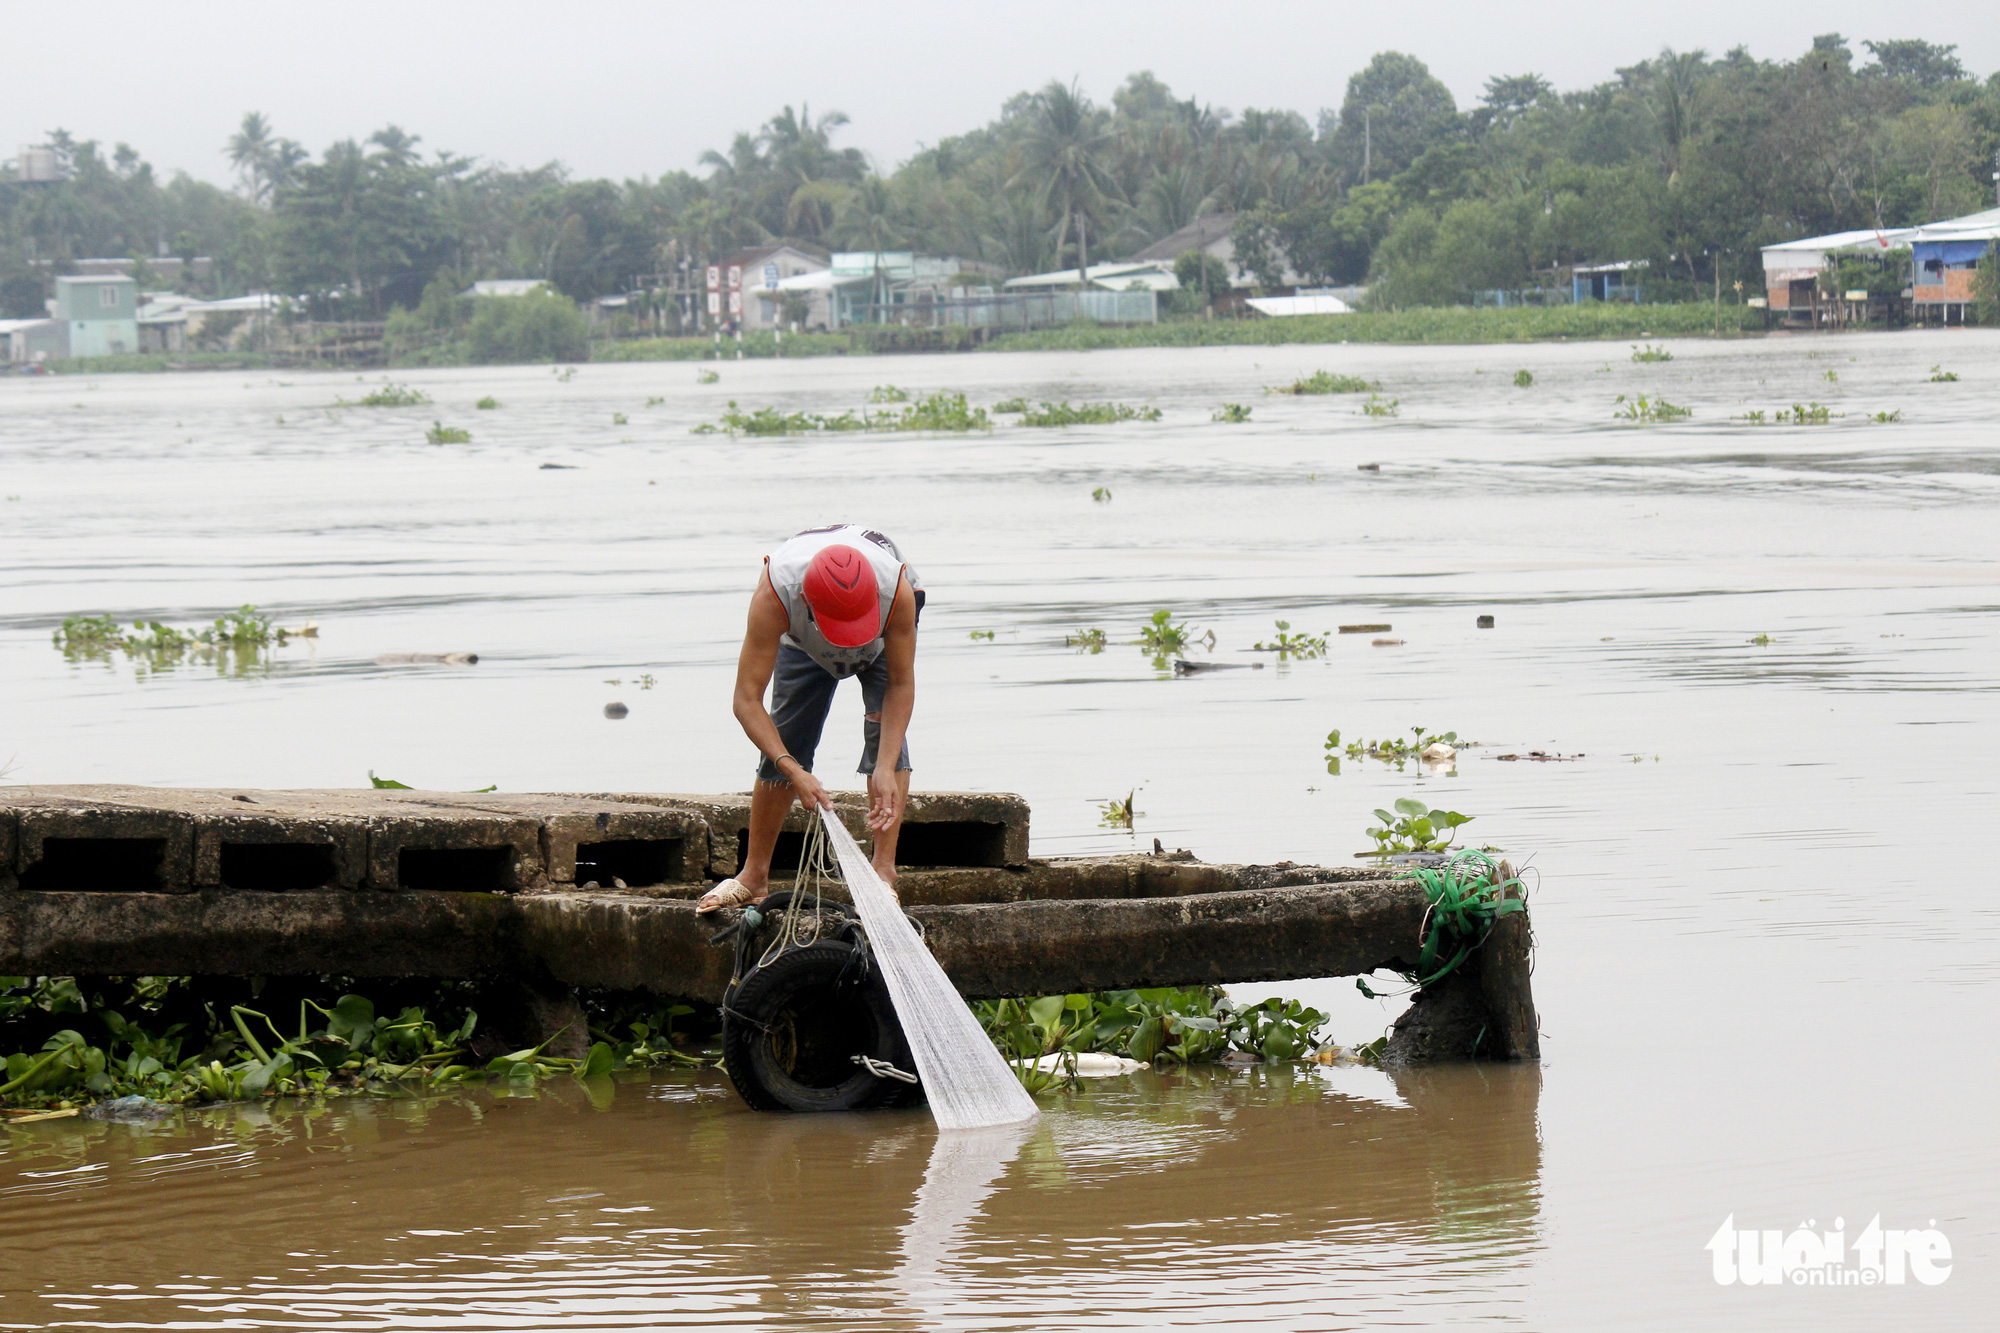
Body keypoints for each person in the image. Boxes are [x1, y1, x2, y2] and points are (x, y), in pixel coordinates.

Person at [696, 524, 922, 913]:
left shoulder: (897, 589)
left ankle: (883, 872)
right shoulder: (776, 593)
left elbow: (900, 684)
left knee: (885, 736)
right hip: (802, 641)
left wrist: (885, 765)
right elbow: (747, 700)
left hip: (880, 636)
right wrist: (793, 770)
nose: (845, 643)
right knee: (787, 735)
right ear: (805, 599)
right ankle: (754, 875)